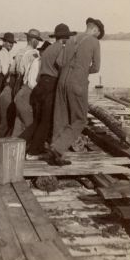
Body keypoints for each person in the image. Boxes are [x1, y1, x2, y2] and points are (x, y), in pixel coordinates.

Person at [48, 18, 103, 166]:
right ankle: (58, 147)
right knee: (80, 119)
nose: (97, 37)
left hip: (62, 82)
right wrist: (83, 69)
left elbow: (59, 62)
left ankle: (55, 156)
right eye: (98, 34)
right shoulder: (94, 42)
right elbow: (96, 68)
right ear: (95, 30)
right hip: (77, 83)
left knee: (61, 117)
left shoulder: (71, 39)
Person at [21, 24, 76, 159]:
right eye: (68, 38)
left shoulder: (49, 48)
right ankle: (33, 152)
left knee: (38, 121)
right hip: (50, 86)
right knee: (46, 121)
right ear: (65, 38)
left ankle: (21, 146)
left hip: (41, 85)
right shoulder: (62, 48)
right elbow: (61, 64)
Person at [10, 29, 44, 137]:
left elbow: (12, 70)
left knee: (19, 119)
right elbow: (32, 75)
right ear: (33, 40)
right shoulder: (34, 54)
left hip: (17, 84)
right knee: (29, 120)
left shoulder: (19, 52)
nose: (38, 43)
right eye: (37, 40)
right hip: (27, 87)